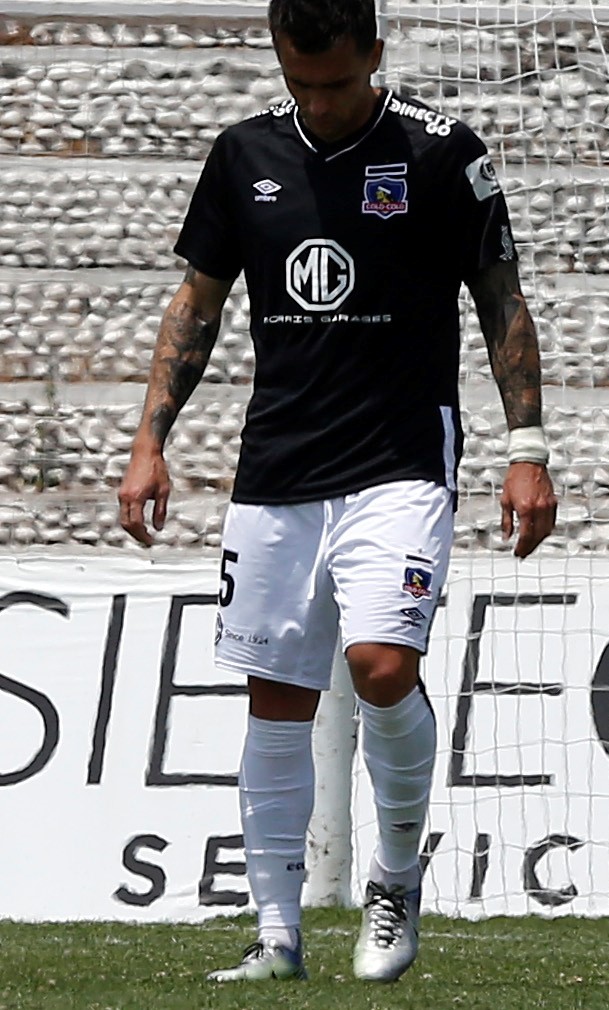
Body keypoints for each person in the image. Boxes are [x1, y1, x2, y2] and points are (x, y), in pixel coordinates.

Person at [116, 0, 557, 983]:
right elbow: (197, 301)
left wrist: (526, 445)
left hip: (400, 460)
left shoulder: (445, 156)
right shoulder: (243, 155)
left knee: (382, 666)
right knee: (276, 702)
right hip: (276, 470)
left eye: (338, 83)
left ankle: (395, 881)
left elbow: (501, 297)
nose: (318, 102)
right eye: (301, 83)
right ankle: (277, 933)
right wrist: (150, 440)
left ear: (375, 54)